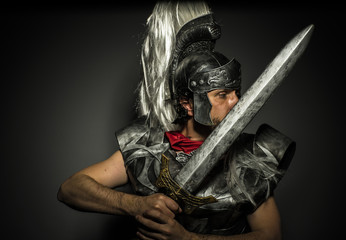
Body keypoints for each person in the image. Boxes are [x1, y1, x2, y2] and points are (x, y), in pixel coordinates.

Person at [58, 1, 296, 239]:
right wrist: (136, 205)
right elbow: (70, 189)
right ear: (187, 104)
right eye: (222, 95)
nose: (236, 103)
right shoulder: (146, 145)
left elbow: (270, 235)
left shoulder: (251, 155)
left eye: (236, 92)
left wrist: (190, 239)